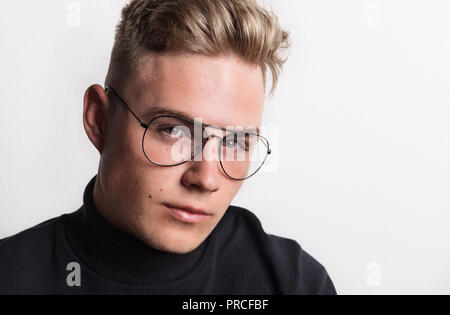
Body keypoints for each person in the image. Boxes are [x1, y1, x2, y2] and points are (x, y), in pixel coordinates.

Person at [0, 0, 336, 294]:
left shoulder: (294, 283)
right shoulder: (11, 279)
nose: (206, 178)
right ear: (99, 119)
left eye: (235, 141)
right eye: (175, 131)